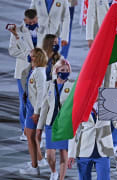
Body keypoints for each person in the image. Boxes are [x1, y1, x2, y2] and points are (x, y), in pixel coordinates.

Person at [8, 9, 44, 141]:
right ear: (24, 21)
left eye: (34, 22)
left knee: (40, 99)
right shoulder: (17, 30)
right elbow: (12, 50)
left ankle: (39, 128)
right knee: (25, 100)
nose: (32, 24)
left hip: (39, 69)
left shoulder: (44, 29)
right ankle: (25, 130)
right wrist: (26, 56)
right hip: (23, 70)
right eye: (29, 22)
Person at [36, 59, 73, 180]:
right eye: (63, 70)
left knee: (63, 153)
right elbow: (45, 107)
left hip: (64, 125)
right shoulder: (49, 85)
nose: (65, 72)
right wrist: (39, 128)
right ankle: (53, 171)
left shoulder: (72, 86)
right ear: (57, 71)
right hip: (50, 123)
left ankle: (61, 178)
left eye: (67, 70)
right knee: (50, 155)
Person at [68, 102, 117, 180]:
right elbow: (73, 130)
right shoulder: (81, 104)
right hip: (83, 150)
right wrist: (71, 154)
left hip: (103, 151)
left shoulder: (108, 104)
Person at [19, 48, 47, 175]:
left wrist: (37, 112)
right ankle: (38, 160)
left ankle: (35, 166)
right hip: (31, 106)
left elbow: (41, 94)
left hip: (34, 108)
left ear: (39, 58)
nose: (31, 58)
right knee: (29, 134)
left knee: (30, 136)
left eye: (33, 56)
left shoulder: (40, 73)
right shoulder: (35, 70)